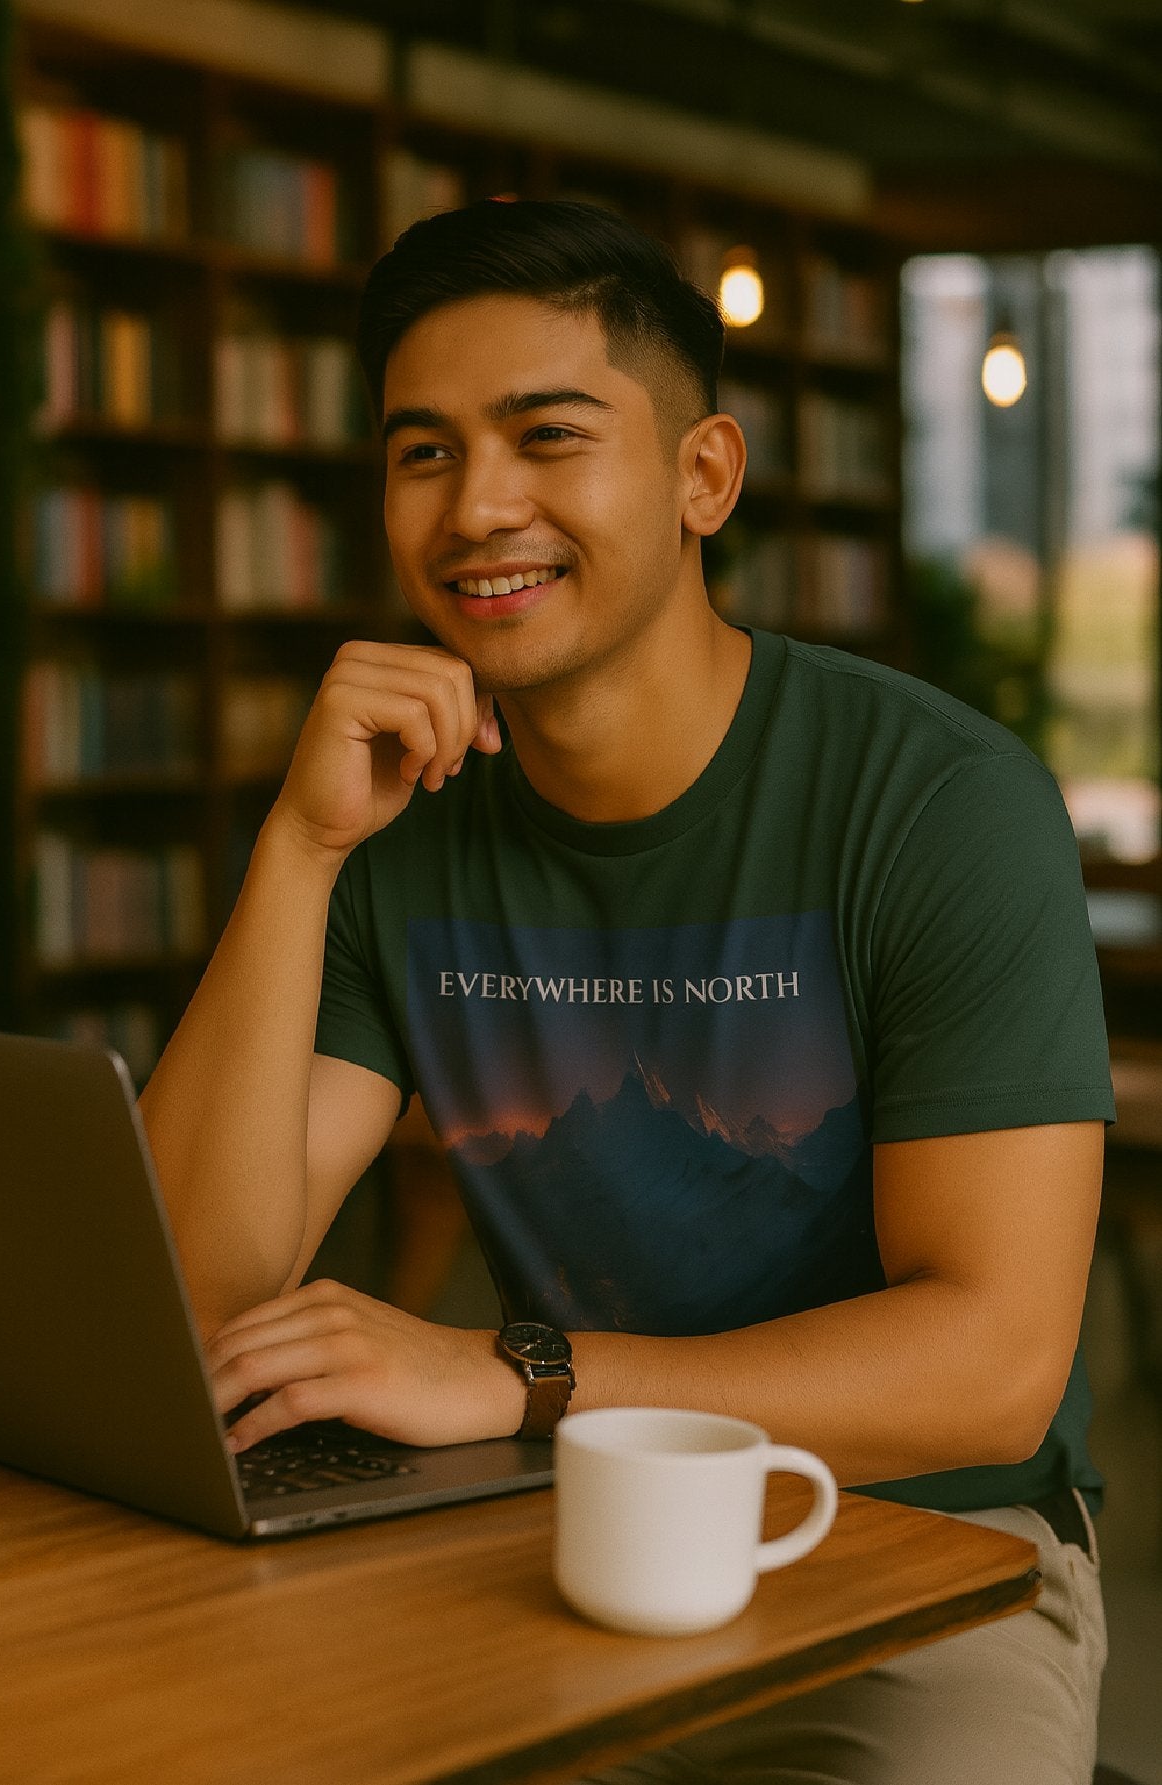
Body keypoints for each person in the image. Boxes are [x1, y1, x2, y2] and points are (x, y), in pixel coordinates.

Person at [138, 198, 1114, 1783]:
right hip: (551, 1538)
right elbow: (200, 1296)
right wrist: (300, 849)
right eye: (424, 452)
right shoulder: (400, 823)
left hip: (919, 1561)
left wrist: (512, 1371)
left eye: (545, 437)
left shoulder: (936, 803)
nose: (479, 508)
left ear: (699, 475)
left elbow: (989, 1368)